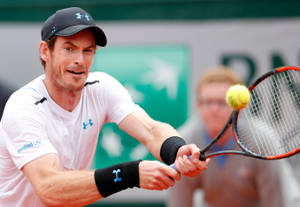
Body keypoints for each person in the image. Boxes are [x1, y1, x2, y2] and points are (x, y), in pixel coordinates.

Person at [0, 7, 209, 207]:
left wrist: (177, 150)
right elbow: (50, 188)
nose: (80, 61)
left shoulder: (101, 87)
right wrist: (129, 174)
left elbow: (150, 130)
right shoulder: (24, 107)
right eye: (69, 49)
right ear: (46, 51)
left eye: (87, 50)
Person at [167, 67, 290, 207]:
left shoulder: (263, 141)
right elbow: (179, 203)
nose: (214, 109)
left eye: (222, 102)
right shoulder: (184, 142)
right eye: (207, 102)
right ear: (198, 105)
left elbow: (277, 202)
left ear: (240, 107)